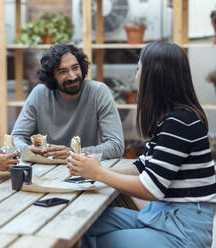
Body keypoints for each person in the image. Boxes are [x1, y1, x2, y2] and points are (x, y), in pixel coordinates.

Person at [68, 41, 216, 248]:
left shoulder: (179, 123)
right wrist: (94, 169)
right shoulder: (171, 119)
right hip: (162, 217)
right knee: (82, 223)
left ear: (154, 76)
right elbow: (142, 167)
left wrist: (98, 174)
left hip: (182, 231)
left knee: (96, 241)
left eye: (139, 68)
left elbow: (151, 189)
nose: (136, 76)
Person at [11, 43, 124, 160]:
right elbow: (16, 139)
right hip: (46, 167)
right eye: (63, 71)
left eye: (75, 68)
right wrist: (30, 150)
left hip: (85, 167)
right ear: (52, 76)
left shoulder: (98, 92)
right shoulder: (39, 93)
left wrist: (74, 153)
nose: (72, 76)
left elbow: (116, 146)